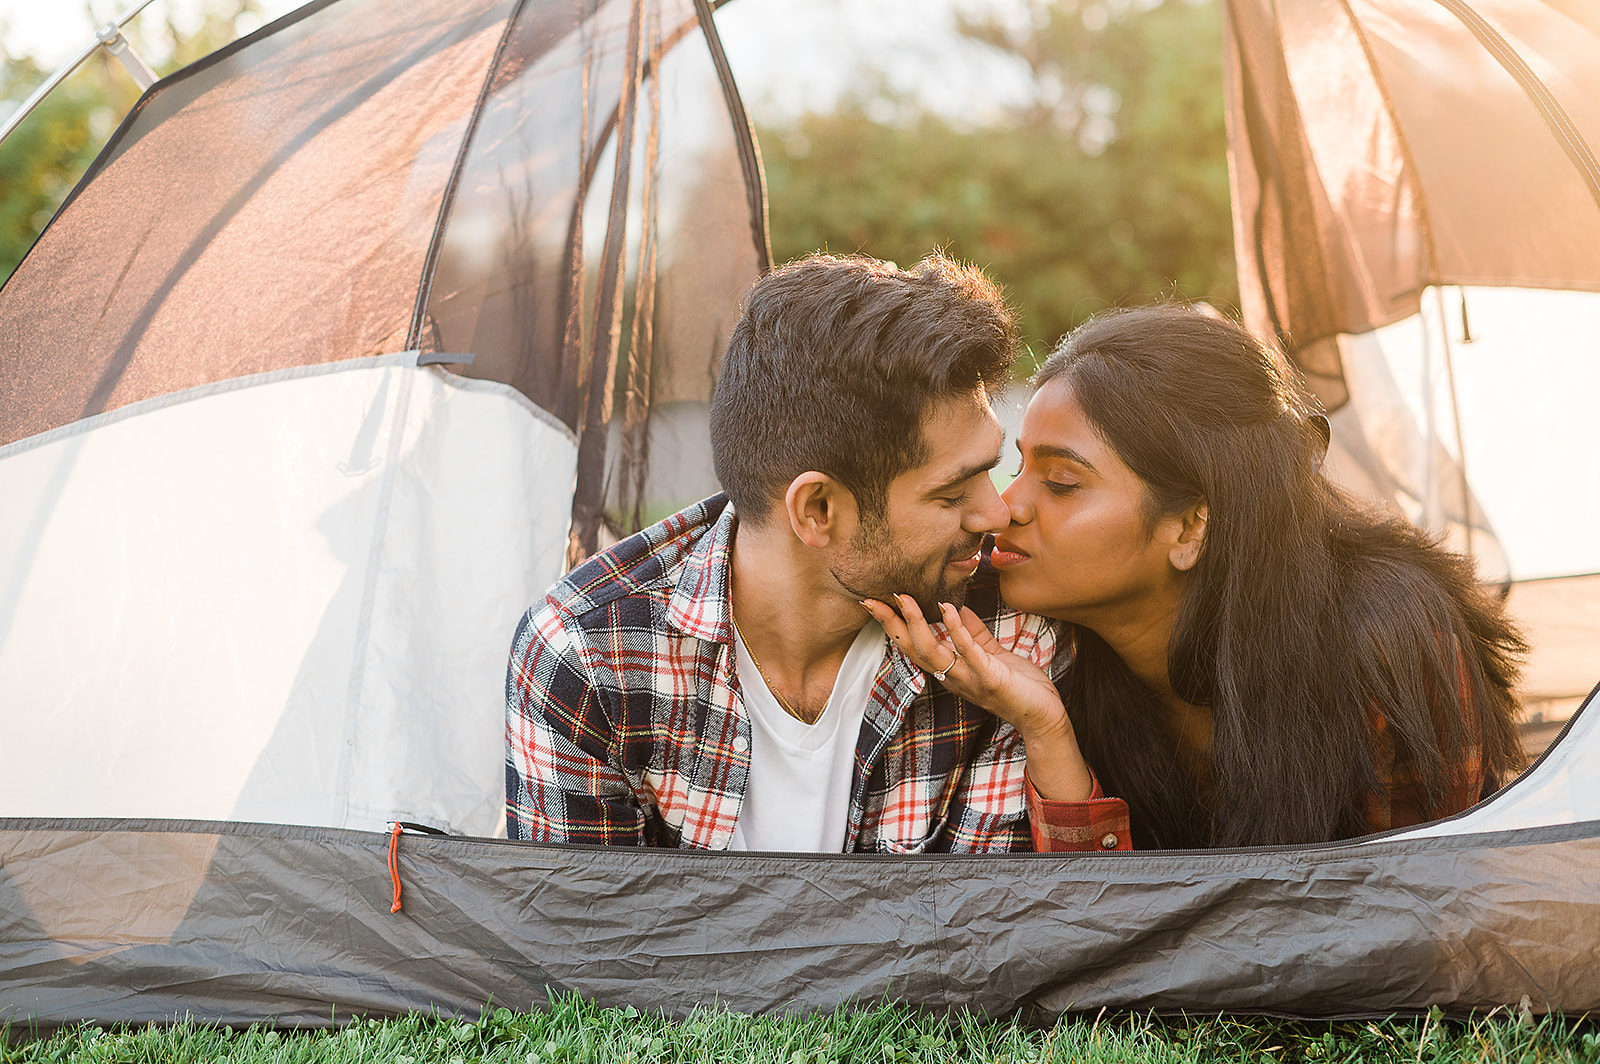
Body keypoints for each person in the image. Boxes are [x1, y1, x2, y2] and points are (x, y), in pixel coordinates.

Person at [866, 303, 1527, 851]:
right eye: (1021, 467)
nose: (1009, 505)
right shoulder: (1040, 643)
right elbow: (1092, 936)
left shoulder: (1384, 639)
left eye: (1063, 482)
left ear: (1190, 527)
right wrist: (1045, 729)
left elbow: (1416, 918)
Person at [505, 252, 1083, 853]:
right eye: (952, 493)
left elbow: (1017, 932)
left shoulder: (1008, 633)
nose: (996, 515)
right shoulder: (590, 657)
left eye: (990, 471)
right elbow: (594, 938)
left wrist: (1046, 729)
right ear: (818, 511)